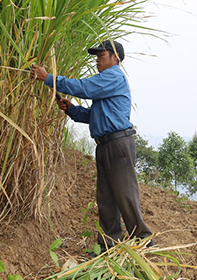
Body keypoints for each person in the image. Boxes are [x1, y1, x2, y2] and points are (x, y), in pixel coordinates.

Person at [30, 40, 153, 253]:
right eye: (96, 56)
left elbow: (85, 88)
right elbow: (94, 115)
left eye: (101, 55)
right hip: (106, 145)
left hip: (117, 143)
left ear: (115, 58)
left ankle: (143, 241)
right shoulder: (107, 83)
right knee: (105, 198)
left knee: (125, 194)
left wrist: (49, 79)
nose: (97, 59)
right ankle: (108, 246)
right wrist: (72, 110)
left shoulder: (113, 76)